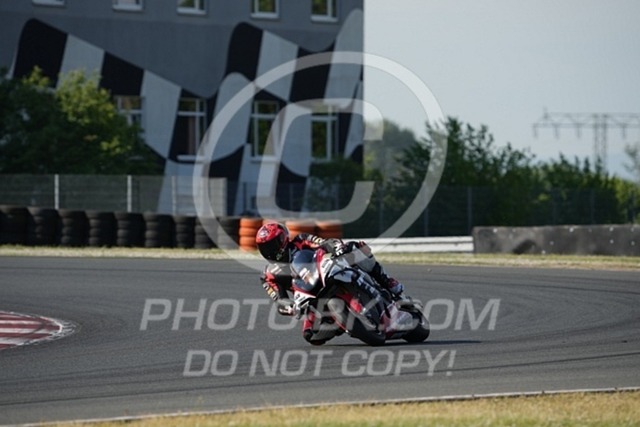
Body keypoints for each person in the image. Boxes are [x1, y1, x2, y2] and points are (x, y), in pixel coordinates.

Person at [255, 221, 405, 344]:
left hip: (324, 273)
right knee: (310, 335)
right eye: (265, 248)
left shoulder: (301, 240)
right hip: (310, 297)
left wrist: (337, 247)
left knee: (355, 247)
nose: (270, 251)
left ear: (283, 239)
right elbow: (279, 300)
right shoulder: (268, 275)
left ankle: (386, 281)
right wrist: (290, 307)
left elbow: (324, 242)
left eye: (273, 245)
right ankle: (339, 322)